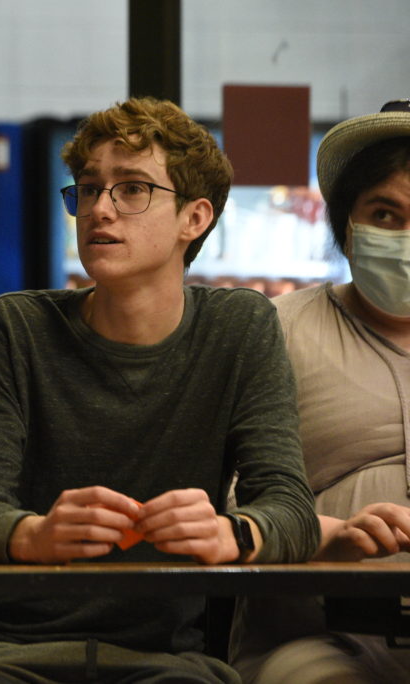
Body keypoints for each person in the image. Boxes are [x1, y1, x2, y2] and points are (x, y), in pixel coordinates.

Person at [0, 97, 320, 684]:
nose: (100, 209)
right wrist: (35, 534)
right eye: (89, 189)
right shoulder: (15, 327)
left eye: (133, 189)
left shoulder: (240, 329)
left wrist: (231, 533)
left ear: (194, 219)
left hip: (163, 661)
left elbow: (292, 509)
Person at [230, 100, 410, 683]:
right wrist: (330, 535)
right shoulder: (275, 330)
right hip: (317, 638)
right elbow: (220, 502)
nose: (404, 237)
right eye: (385, 214)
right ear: (345, 223)